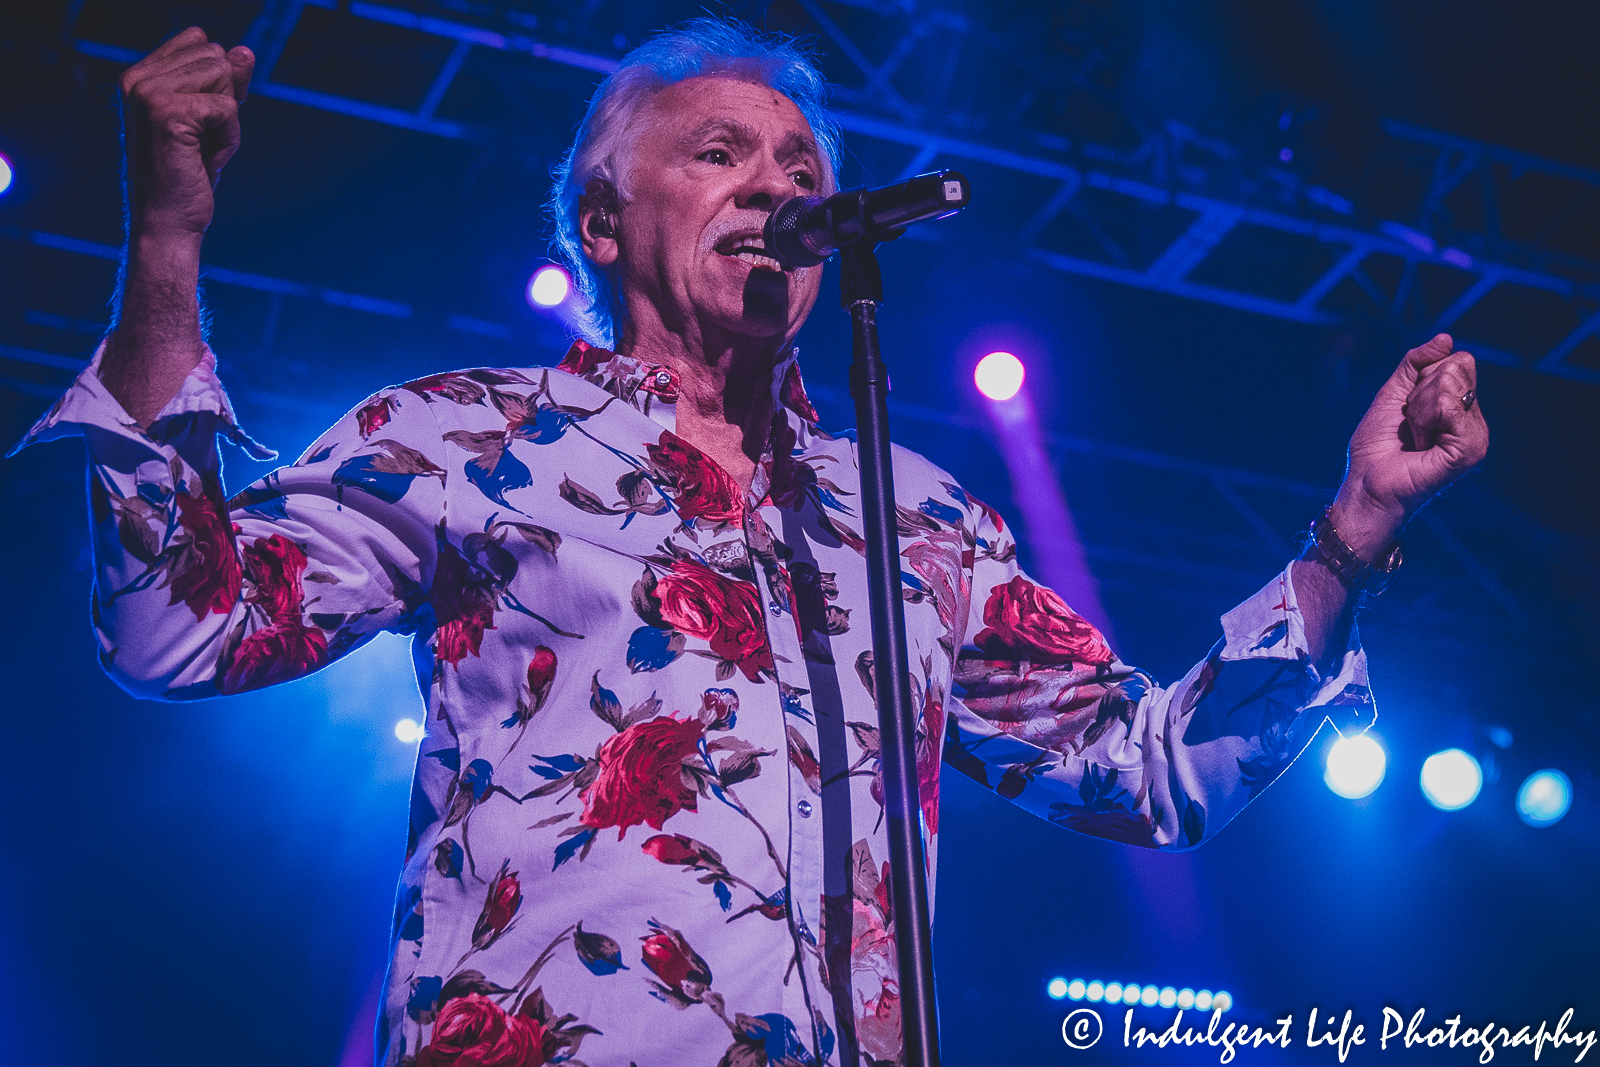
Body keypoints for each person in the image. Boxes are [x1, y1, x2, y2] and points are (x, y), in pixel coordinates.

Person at [15, 18, 1488, 1067]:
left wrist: (1355, 528)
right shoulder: (461, 436)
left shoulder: (916, 515)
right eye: (721, 154)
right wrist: (165, 248)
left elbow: (1150, 773)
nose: (778, 188)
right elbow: (177, 626)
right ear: (601, 223)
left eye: (799, 166)